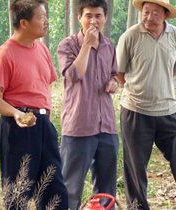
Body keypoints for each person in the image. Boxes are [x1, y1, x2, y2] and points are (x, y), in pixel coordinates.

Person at [116, 0, 176, 209]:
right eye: (146, 12)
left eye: (155, 13)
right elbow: (120, 74)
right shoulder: (130, 36)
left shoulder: (175, 35)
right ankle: (138, 207)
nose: (149, 17)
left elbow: (173, 71)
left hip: (168, 109)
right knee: (135, 167)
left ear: (166, 15)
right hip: (135, 111)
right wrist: (138, 91)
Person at [0, 0, 68, 209]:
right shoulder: (3, 55)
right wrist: (16, 114)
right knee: (18, 194)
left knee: (55, 191)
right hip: (17, 128)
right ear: (24, 23)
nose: (46, 21)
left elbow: (44, 87)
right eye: (41, 17)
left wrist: (46, 121)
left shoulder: (42, 50)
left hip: (44, 126)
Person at [57, 0, 119, 209]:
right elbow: (74, 75)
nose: (93, 21)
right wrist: (87, 45)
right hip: (79, 126)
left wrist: (113, 83)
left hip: (107, 125)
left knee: (106, 189)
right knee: (71, 187)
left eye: (98, 16)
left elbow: (114, 75)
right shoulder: (68, 45)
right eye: (89, 15)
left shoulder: (109, 46)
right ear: (79, 17)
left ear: (105, 18)